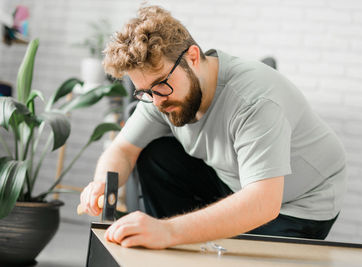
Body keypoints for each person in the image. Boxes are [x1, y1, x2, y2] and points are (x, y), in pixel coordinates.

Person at [79, 5, 347, 249]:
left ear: (193, 57)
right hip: (235, 180)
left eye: (161, 85)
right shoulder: (158, 93)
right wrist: (104, 182)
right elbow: (123, 149)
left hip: (298, 203)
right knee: (156, 152)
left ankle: (170, 237)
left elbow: (263, 203)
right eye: (146, 92)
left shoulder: (254, 101)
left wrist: (169, 230)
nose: (157, 101)